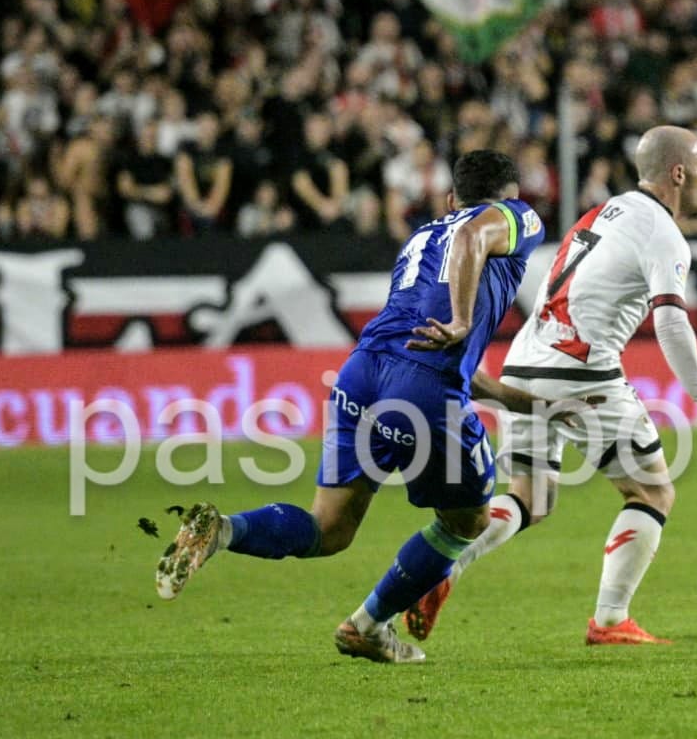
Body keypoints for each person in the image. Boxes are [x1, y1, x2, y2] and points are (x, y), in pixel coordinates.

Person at [155, 150, 552, 664]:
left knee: (329, 528)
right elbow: (475, 239)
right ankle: (367, 625)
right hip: (423, 388)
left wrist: (516, 398)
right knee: (466, 523)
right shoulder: (515, 219)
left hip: (361, 375)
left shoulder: (419, 239)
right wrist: (459, 320)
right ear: (512, 197)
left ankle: (223, 531)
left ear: (450, 198)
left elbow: (431, 338)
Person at [403, 125, 697, 647]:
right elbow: (671, 321)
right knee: (652, 491)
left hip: (525, 359)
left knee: (531, 497)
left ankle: (441, 569)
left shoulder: (606, 211)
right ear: (678, 173)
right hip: (581, 368)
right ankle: (610, 620)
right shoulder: (663, 233)